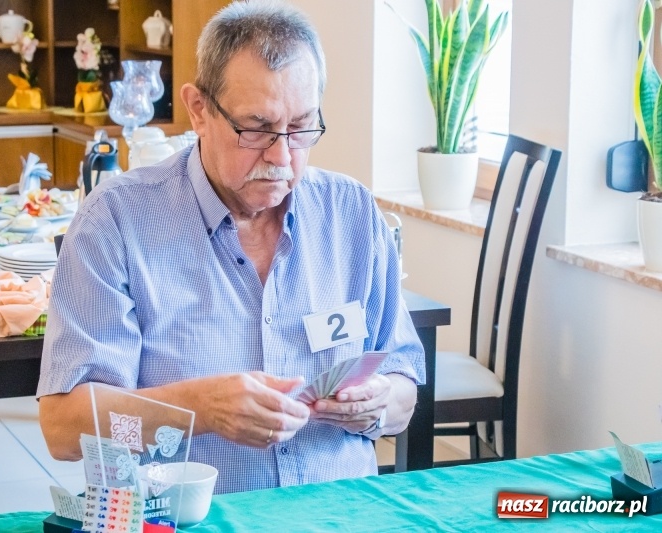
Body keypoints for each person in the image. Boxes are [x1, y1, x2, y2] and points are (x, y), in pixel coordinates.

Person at [37, 0, 425, 495]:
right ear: (199, 110)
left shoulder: (351, 213)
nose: (283, 156)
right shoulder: (117, 221)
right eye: (257, 129)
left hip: (336, 514)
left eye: (303, 127)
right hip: (186, 520)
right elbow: (65, 430)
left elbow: (404, 389)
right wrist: (198, 410)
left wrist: (377, 403)